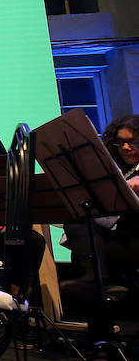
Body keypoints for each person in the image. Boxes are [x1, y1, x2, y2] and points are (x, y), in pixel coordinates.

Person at [61, 113, 139, 310]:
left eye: (132, 142)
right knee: (78, 223)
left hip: (134, 237)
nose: (125, 148)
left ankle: (97, 281)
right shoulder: (118, 168)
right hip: (116, 234)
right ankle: (96, 282)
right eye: (120, 142)